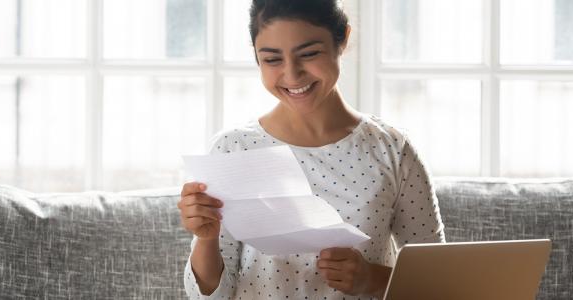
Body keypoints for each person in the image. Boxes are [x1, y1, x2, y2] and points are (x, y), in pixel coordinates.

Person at [178, 0, 446, 298]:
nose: (292, 75)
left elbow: (439, 282)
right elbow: (210, 295)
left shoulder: (393, 150)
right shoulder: (233, 149)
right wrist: (206, 239)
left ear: (342, 38)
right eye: (272, 59)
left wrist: (373, 279)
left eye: (309, 54)